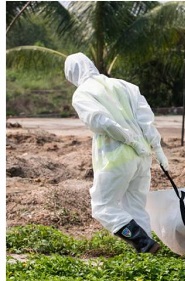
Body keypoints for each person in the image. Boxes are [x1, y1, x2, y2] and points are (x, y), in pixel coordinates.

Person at [64, 52, 169, 254]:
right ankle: (147, 254)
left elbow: (101, 122)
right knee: (136, 206)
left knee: (102, 206)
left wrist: (129, 140)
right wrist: (157, 150)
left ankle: (143, 243)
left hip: (116, 158)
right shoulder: (126, 86)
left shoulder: (82, 93)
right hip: (143, 156)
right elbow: (146, 121)